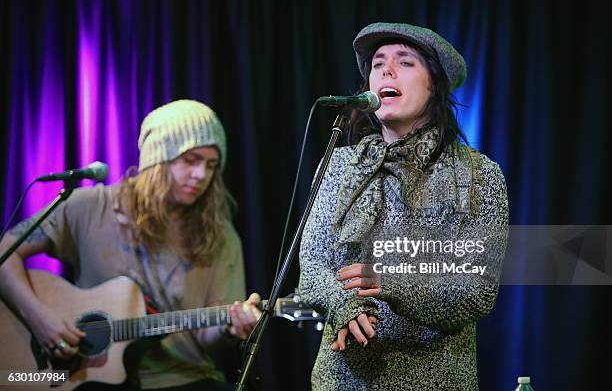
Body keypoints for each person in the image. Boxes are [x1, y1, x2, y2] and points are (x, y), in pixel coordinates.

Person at [298, 22, 508, 390]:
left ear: (435, 84)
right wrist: (342, 304)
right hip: (342, 378)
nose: (386, 71)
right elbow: (312, 264)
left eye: (405, 62)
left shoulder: (478, 175)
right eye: (378, 64)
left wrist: (388, 280)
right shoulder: (339, 164)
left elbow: (476, 290)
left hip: (433, 377)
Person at [0, 100, 260, 390]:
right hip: (85, 376)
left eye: (211, 165)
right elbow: (4, 253)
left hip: (185, 379)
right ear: (158, 159)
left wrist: (229, 326)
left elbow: (206, 338)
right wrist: (40, 319)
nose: (202, 174)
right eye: (190, 159)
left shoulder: (221, 236)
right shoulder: (90, 207)